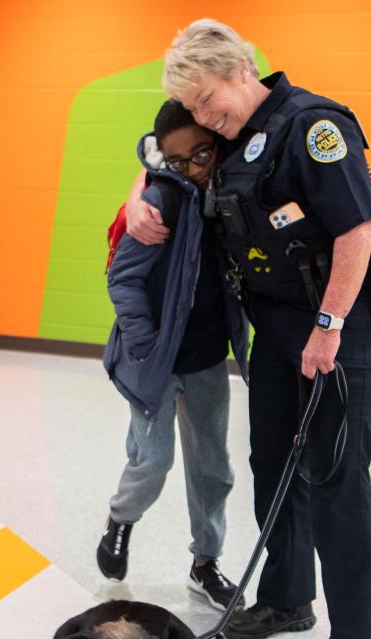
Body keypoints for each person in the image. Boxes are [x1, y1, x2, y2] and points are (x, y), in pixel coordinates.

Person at [127, 19, 371, 639]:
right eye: (193, 107)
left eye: (208, 99)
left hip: (337, 324)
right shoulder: (229, 132)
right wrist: (136, 198)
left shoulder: (313, 127)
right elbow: (161, 152)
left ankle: (354, 631)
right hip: (275, 328)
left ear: (241, 69)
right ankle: (287, 597)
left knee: (335, 473)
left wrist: (329, 326)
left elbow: (360, 228)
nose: (202, 116)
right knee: (274, 461)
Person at [98, 99, 251, 612]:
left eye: (201, 155)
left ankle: (205, 565)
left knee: (213, 470)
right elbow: (123, 277)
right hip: (155, 362)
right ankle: (121, 519)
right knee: (155, 459)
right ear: (163, 159)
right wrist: (144, 345)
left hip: (207, 358)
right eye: (178, 160)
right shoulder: (161, 202)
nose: (193, 169)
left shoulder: (232, 193)